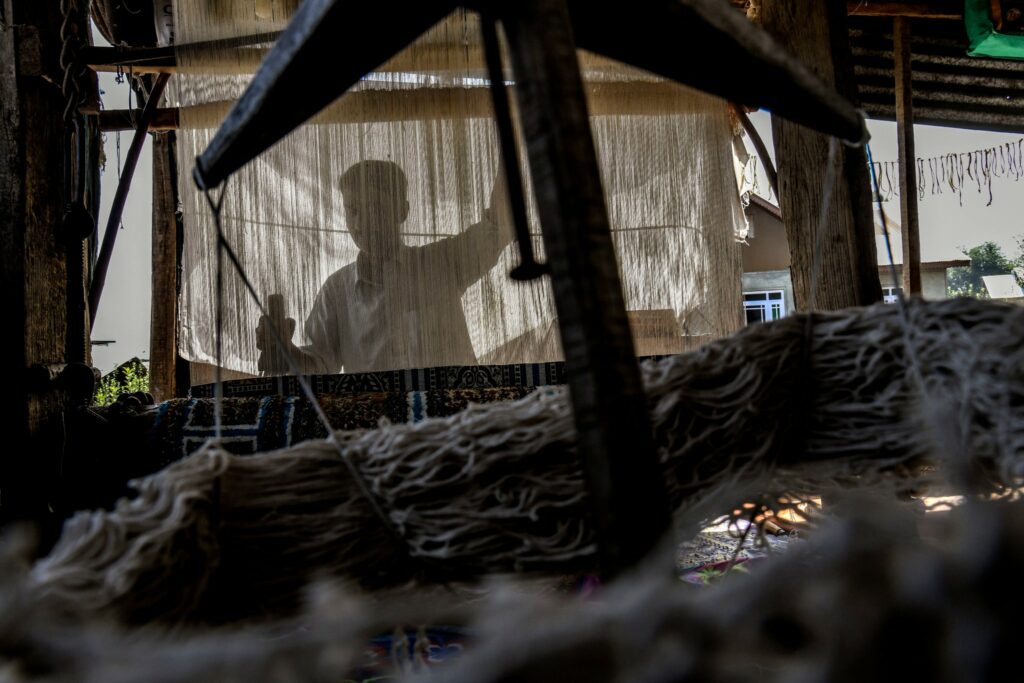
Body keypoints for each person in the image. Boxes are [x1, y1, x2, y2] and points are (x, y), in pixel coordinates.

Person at [256, 160, 514, 374]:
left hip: (453, 426)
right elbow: (320, 367)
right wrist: (286, 353)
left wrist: (512, 135)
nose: (361, 223)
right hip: (380, 431)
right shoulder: (335, 293)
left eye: (375, 208)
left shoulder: (443, 262)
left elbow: (500, 227)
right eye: (352, 211)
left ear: (402, 211)